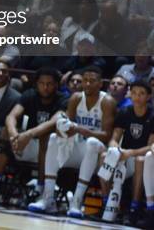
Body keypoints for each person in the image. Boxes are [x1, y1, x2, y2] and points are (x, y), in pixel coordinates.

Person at [28, 66, 116, 218]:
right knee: (54, 138)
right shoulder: (75, 98)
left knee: (92, 142)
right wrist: (63, 128)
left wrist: (80, 129)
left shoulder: (107, 101)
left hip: (98, 156)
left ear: (100, 84)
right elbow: (67, 126)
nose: (87, 84)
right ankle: (48, 198)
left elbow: (107, 136)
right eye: (85, 80)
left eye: (92, 81)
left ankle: (77, 202)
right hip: (78, 151)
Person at [0, 68, 68, 203]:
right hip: (26, 144)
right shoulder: (29, 95)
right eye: (42, 83)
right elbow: (11, 116)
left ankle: (40, 189)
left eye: (49, 84)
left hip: (51, 150)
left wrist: (28, 135)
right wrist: (14, 135)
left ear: (56, 85)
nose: (45, 87)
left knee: (46, 136)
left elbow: (54, 122)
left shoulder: (63, 99)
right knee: (4, 132)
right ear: (37, 84)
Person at [99, 80, 154, 226]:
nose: (137, 97)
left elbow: (151, 147)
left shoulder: (152, 115)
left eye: (142, 94)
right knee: (105, 155)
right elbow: (114, 139)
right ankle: (106, 202)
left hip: (141, 158)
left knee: (140, 160)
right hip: (124, 157)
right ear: (130, 94)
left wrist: (130, 153)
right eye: (134, 93)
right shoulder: (125, 112)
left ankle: (134, 209)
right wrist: (114, 149)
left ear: (149, 96)